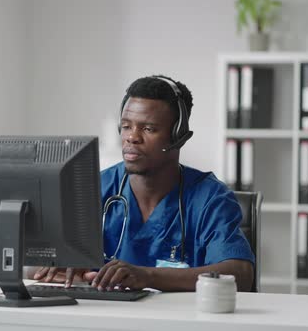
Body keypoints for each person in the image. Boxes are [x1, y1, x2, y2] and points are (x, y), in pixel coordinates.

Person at [32, 75, 255, 292]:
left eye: (148, 128)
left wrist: (146, 276)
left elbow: (240, 274)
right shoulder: (93, 188)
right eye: (126, 126)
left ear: (179, 135)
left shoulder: (209, 197)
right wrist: (59, 271)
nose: (132, 137)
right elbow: (33, 267)